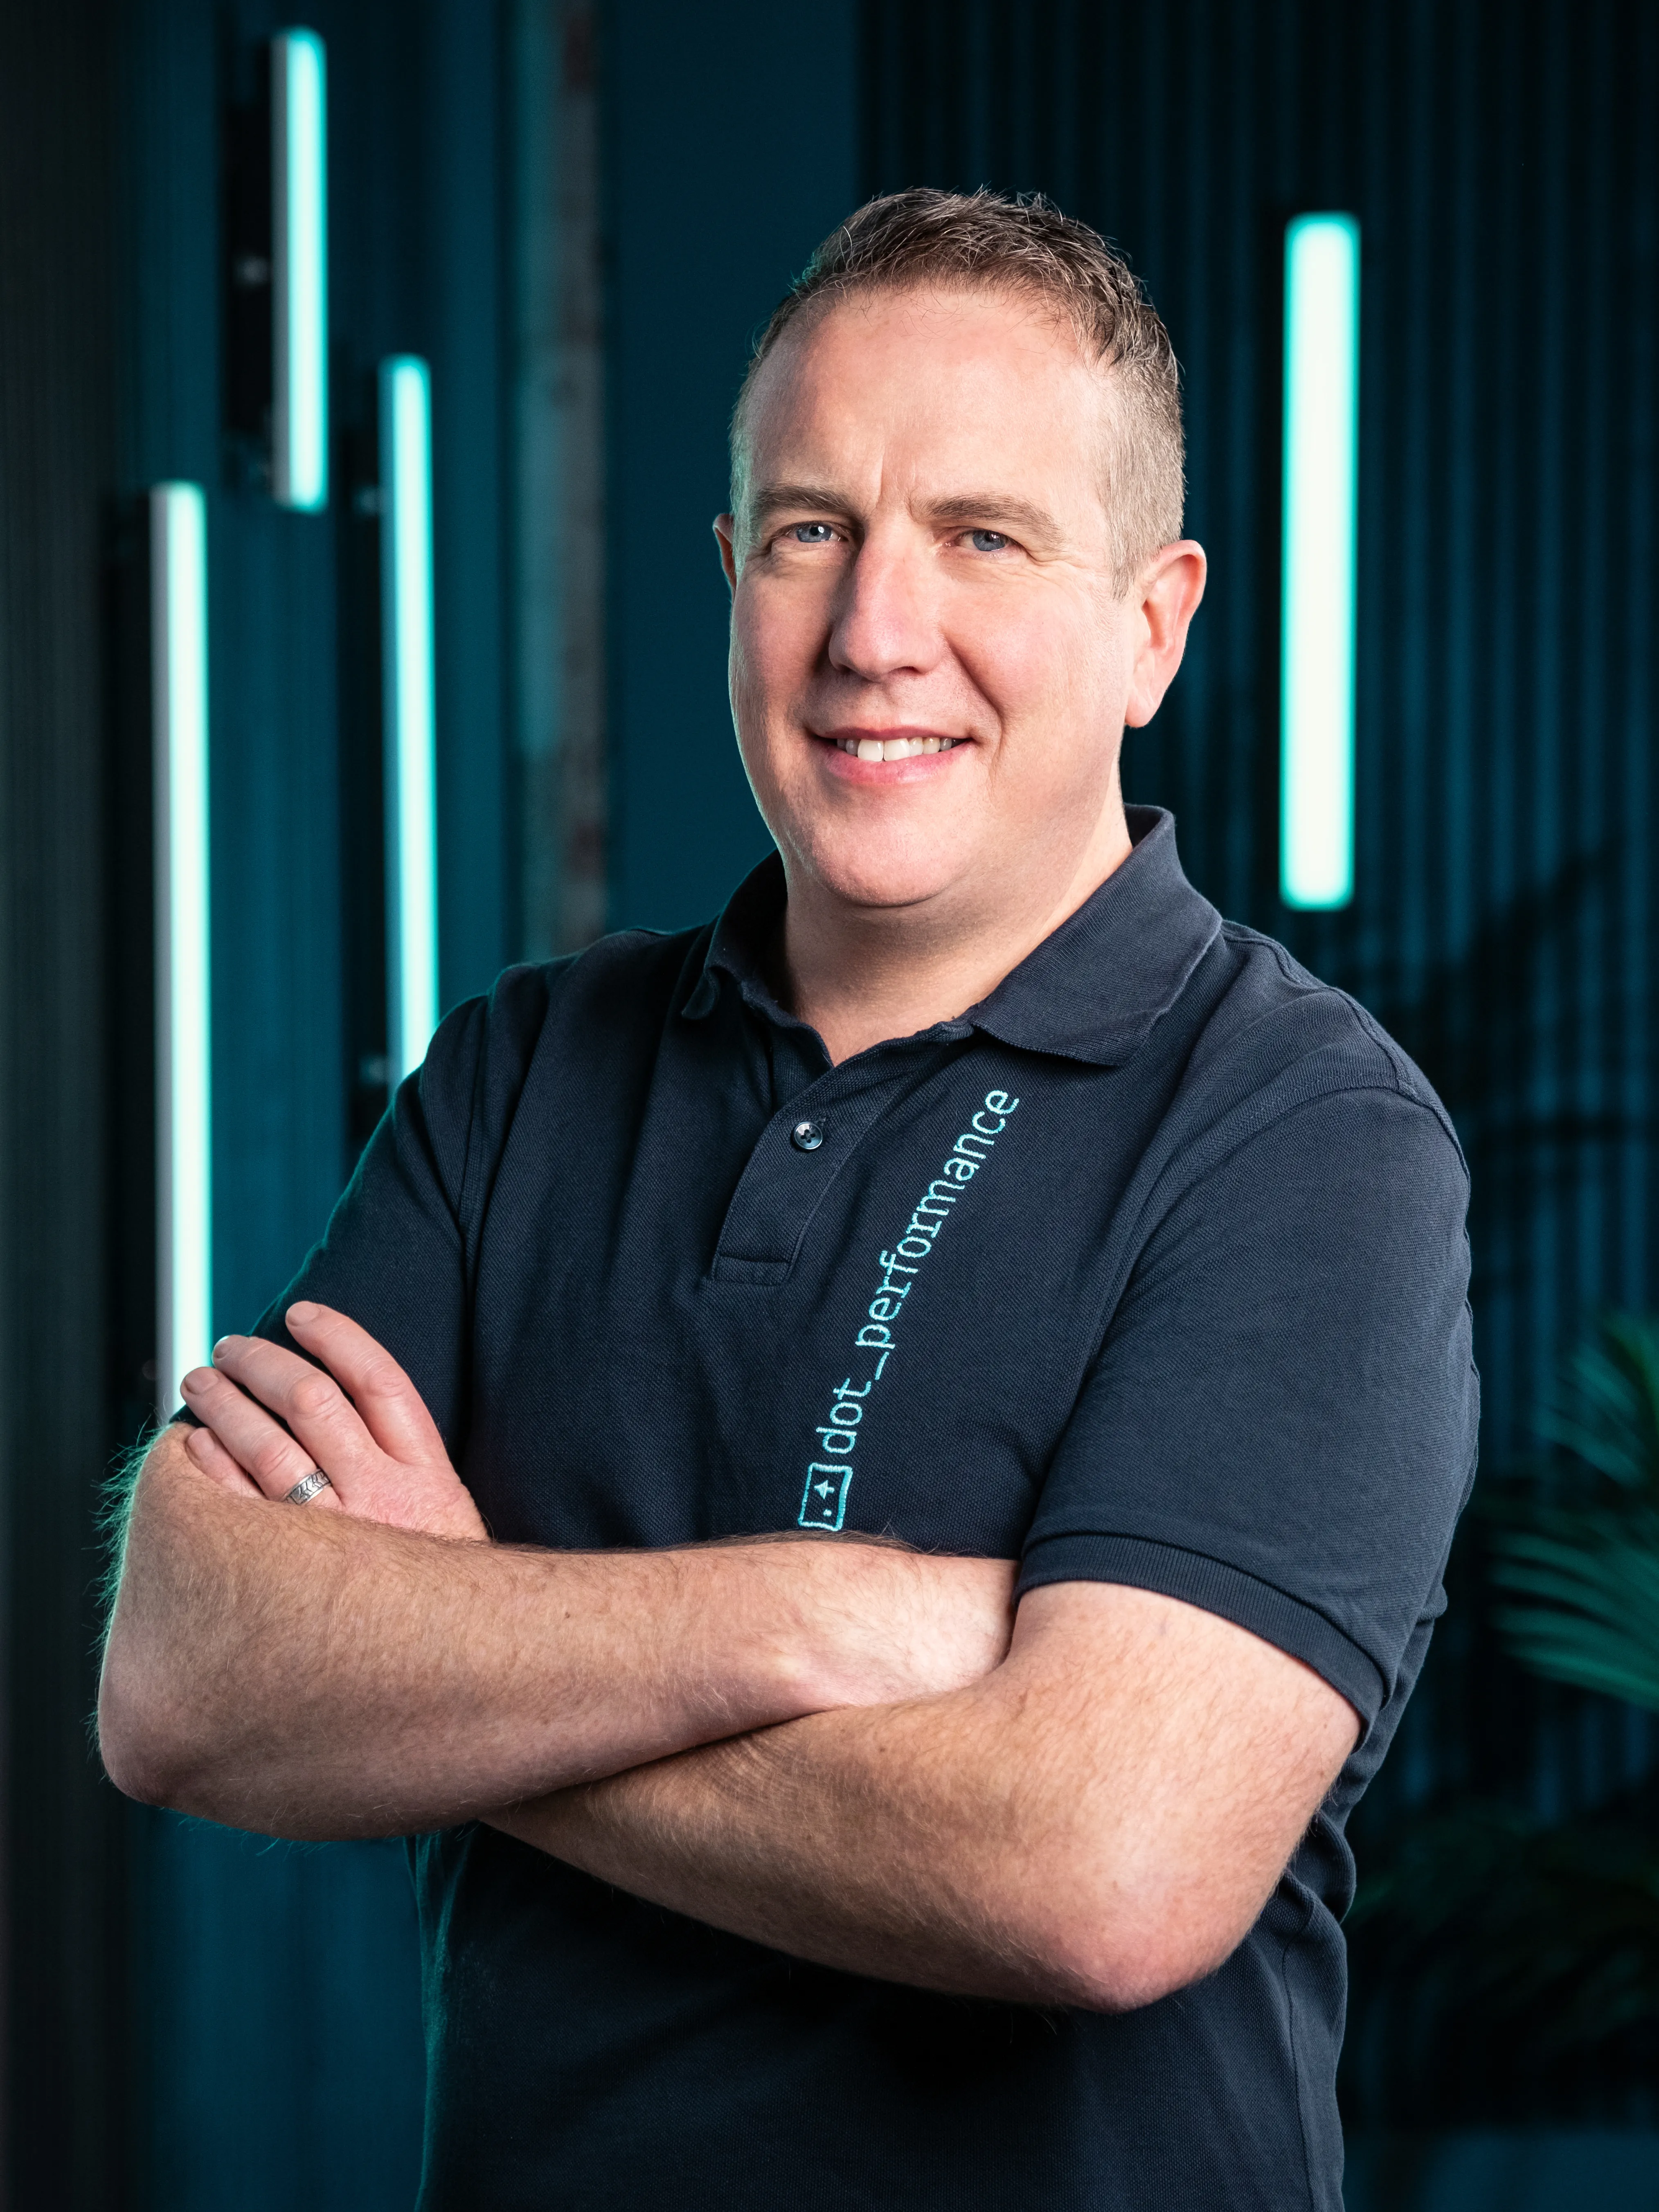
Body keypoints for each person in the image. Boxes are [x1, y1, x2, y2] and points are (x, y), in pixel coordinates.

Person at [100, 189, 1477, 2211]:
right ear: (730, 572)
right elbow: (182, 1672)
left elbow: (1095, 1870)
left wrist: (458, 1655)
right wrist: (830, 1616)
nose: (871, 633)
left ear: (1151, 623)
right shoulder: (522, 1070)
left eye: (981, 536)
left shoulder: (1302, 1138)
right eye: (810, 531)